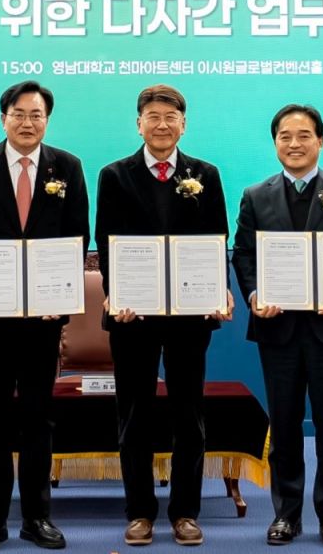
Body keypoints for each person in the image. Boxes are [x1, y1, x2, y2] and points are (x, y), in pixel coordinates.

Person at [232, 104, 323, 547]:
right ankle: (286, 514)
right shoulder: (255, 195)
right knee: (283, 426)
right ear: (275, 142)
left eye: (303, 135)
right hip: (277, 330)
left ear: (320, 141)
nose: (294, 144)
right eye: (285, 136)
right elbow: (243, 255)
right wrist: (254, 296)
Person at [0, 80, 90, 551]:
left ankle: (37, 516)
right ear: (3, 118)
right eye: (19, 114)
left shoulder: (66, 166)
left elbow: (77, 236)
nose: (28, 123)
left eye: (37, 115)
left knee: (38, 416)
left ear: (47, 120)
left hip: (45, 317)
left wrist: (64, 295)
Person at [94, 84, 233, 547]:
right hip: (133, 317)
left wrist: (218, 290)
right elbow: (107, 242)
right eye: (152, 117)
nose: (161, 125)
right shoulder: (115, 175)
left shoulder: (205, 174)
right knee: (134, 416)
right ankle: (139, 512)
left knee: (188, 415)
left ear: (183, 125)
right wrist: (115, 294)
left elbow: (217, 238)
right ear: (139, 124)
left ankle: (185, 512)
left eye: (170, 118)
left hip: (189, 316)